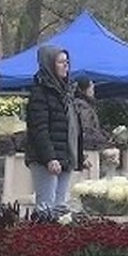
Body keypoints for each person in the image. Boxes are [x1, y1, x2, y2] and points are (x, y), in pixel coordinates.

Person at [25, 45, 83, 212]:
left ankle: (56, 238)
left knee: (60, 208)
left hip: (65, 157)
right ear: (49, 65)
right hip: (46, 160)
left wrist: (79, 155)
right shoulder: (40, 93)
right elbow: (39, 129)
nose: (66, 66)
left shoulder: (67, 92)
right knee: (46, 207)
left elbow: (73, 127)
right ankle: (39, 237)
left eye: (67, 62)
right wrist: (50, 158)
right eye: (60, 62)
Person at [73, 76, 109, 150]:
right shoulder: (83, 106)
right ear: (84, 90)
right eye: (91, 88)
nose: (93, 92)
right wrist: (103, 137)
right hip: (87, 148)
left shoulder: (81, 104)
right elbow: (86, 128)